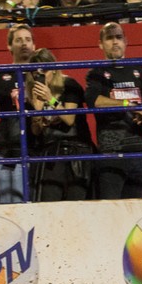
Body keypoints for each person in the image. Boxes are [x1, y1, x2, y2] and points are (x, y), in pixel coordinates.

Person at [85, 22, 142, 199]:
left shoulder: (138, 69)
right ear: (100, 44)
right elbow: (94, 101)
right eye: (109, 38)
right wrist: (126, 104)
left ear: (126, 41)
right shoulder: (96, 72)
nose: (115, 42)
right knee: (111, 211)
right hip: (111, 151)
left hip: (138, 149)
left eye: (119, 37)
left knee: (137, 211)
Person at [26, 49, 94, 201]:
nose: (41, 76)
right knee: (49, 203)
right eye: (35, 73)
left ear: (55, 69)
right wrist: (37, 110)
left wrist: (50, 98)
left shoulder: (69, 84)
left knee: (76, 205)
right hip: (51, 152)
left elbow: (69, 119)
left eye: (45, 70)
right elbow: (36, 131)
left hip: (76, 151)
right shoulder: (33, 93)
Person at [0, 24, 38, 202]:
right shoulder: (0, 76)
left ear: (34, 46)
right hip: (6, 148)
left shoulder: (42, 73)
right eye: (19, 40)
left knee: (24, 202)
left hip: (33, 147)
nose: (24, 43)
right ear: (9, 46)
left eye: (28, 39)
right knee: (6, 204)